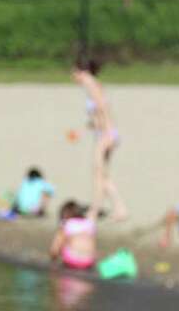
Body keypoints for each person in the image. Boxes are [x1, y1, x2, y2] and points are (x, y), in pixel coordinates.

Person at [73, 57, 127, 221]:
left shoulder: (89, 82)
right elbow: (99, 109)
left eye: (74, 71)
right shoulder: (93, 83)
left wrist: (105, 130)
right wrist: (93, 124)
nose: (73, 75)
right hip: (106, 133)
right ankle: (120, 209)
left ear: (81, 71)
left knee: (98, 175)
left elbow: (102, 107)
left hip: (105, 135)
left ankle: (94, 211)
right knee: (103, 175)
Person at [50, 200, 98, 270]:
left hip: (73, 259)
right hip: (89, 261)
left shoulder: (66, 224)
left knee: (62, 239)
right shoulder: (89, 223)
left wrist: (53, 258)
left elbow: (54, 250)